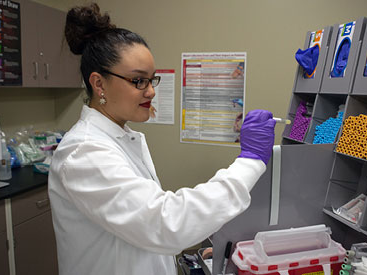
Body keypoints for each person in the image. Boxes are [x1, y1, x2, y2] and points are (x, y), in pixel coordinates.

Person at [48, 3, 276, 275]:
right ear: (99, 84)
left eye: (151, 80)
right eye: (138, 81)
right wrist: (250, 161)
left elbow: (147, 228)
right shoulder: (83, 153)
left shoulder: (122, 139)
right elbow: (167, 223)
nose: (151, 92)